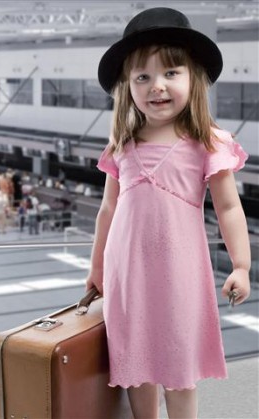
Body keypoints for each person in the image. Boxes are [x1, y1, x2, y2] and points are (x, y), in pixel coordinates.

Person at [88, 8, 251, 419]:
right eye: (143, 77)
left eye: (171, 73)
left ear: (193, 79)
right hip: (126, 274)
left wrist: (242, 266)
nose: (156, 86)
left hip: (181, 274)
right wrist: (96, 270)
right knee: (135, 365)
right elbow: (108, 209)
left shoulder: (208, 143)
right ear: (128, 86)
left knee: (179, 368)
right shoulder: (122, 144)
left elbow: (229, 207)